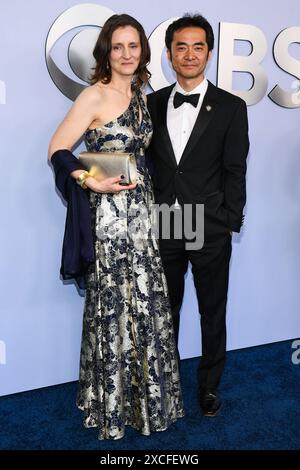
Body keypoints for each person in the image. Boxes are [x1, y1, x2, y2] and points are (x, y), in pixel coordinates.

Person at [48, 13, 183, 440]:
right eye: (118, 46)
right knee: (114, 304)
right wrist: (90, 180)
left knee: (146, 305)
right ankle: (112, 402)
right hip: (109, 218)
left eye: (133, 46)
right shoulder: (94, 95)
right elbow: (57, 148)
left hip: (142, 215)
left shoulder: (142, 95)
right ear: (106, 51)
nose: (126, 54)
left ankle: (144, 401)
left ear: (143, 50)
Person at [147, 13, 249, 417]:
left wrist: (229, 221)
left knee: (212, 310)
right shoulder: (151, 103)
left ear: (209, 51)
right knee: (164, 310)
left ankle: (208, 386)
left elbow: (235, 170)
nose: (189, 54)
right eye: (181, 47)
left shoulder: (231, 106)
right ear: (170, 54)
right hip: (165, 221)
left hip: (209, 223)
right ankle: (167, 384)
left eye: (198, 46)